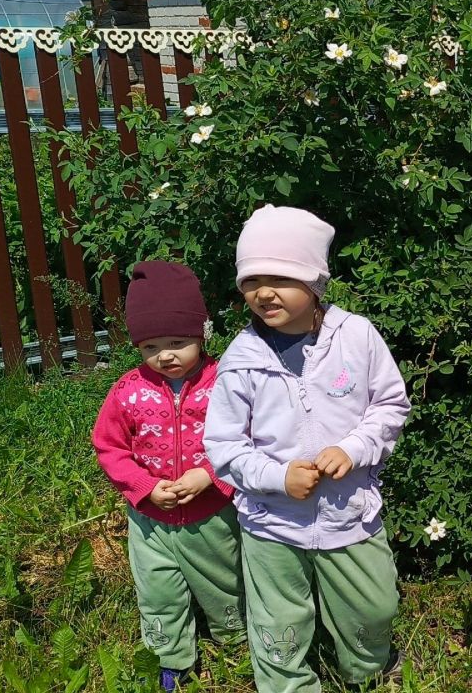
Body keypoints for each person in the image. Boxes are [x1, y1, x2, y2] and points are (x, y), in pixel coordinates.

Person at [205, 205, 411, 692]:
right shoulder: (242, 359)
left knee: (374, 607)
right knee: (279, 623)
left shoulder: (356, 336)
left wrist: (355, 447)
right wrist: (278, 478)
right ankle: (288, 684)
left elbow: (390, 405)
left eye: (281, 277)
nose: (264, 292)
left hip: (349, 513)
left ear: (315, 281)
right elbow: (224, 444)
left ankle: (367, 670)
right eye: (252, 280)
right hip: (271, 522)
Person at [92, 260, 244, 691]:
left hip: (213, 513)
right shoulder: (128, 390)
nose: (165, 355)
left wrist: (211, 476)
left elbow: (250, 438)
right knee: (158, 590)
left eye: (178, 342)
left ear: (202, 334)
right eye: (151, 347)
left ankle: (235, 642)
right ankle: (170, 657)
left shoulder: (226, 382)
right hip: (150, 519)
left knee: (225, 582)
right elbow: (109, 446)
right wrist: (144, 488)